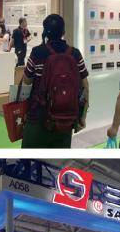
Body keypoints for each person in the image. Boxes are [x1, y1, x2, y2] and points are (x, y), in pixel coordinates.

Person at [23, 14, 89, 148]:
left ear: (45, 31)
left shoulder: (37, 52)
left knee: (30, 157)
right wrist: (82, 116)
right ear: (63, 32)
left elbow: (27, 80)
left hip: (38, 117)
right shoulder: (75, 53)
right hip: (66, 119)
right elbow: (85, 87)